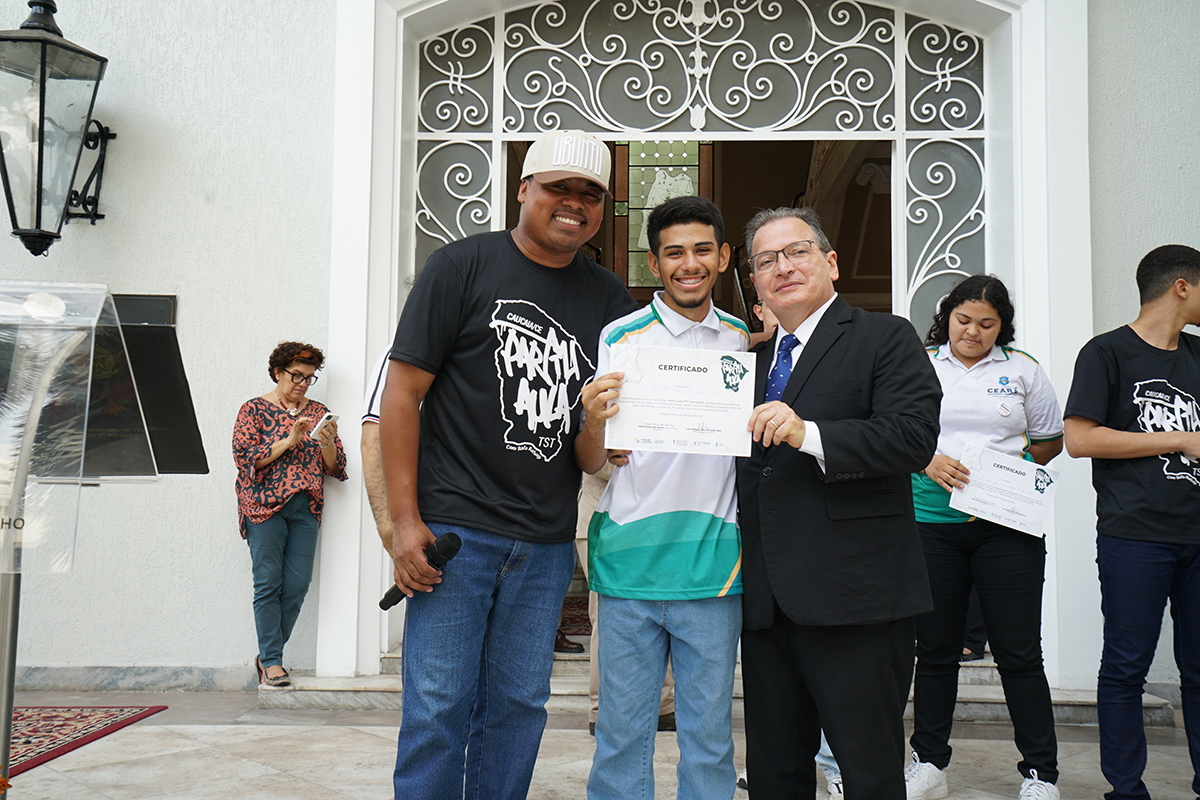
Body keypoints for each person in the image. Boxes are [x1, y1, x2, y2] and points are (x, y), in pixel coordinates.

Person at [379, 129, 638, 800]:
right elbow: (401, 394)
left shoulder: (609, 298)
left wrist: (610, 430)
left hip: (546, 541)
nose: (574, 204)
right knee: (438, 709)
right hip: (455, 535)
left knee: (520, 709)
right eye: (559, 188)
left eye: (590, 194)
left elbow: (593, 440)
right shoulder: (459, 267)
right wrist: (405, 525)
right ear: (524, 190)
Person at [736, 207, 941, 799]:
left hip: (858, 599)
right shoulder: (745, 365)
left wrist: (810, 433)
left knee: (868, 768)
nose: (782, 268)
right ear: (755, 283)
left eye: (796, 252)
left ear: (830, 262)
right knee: (775, 774)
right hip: (767, 602)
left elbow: (910, 437)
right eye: (766, 261)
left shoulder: (885, 336)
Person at [577, 196, 745, 800]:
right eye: (674, 253)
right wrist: (595, 426)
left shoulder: (743, 342)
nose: (689, 264)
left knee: (709, 739)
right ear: (655, 262)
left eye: (703, 249)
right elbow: (594, 459)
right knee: (622, 736)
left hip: (715, 567)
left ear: (723, 256)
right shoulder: (620, 337)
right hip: (630, 565)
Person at [905, 275, 1063, 800]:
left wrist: (1008, 472)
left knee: (1019, 652)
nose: (973, 332)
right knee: (936, 650)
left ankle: (1040, 773)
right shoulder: (918, 363)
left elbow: (1048, 441)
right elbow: (894, 432)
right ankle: (929, 763)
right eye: (964, 320)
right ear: (946, 317)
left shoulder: (1023, 370)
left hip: (1007, 526)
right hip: (931, 524)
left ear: (1002, 326)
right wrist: (924, 460)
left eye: (987, 324)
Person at [1063, 244, 1200, 800]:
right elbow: (1079, 439)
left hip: (1198, 536)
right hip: (1134, 535)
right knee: (1126, 667)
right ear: (1181, 287)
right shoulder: (1106, 353)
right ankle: (1126, 789)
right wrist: (1182, 438)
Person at [233, 341, 347, 688]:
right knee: (268, 583)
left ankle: (266, 656)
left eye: (309, 378)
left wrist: (326, 440)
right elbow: (245, 458)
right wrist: (289, 440)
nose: (301, 383)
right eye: (296, 375)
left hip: (306, 507)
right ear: (278, 372)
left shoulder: (318, 411)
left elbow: (337, 467)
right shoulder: (253, 409)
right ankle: (272, 662)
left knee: (297, 584)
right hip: (263, 506)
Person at [575, 463, 676, 735]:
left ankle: (664, 707)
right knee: (607, 617)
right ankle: (601, 710)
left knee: (663, 608)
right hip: (603, 522)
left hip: (655, 523)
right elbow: (594, 460)